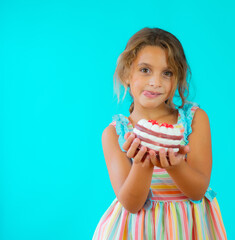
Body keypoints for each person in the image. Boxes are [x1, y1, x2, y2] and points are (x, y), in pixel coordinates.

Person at [92, 27, 227, 239]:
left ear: (177, 79)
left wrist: (174, 164)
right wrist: (142, 163)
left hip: (188, 227)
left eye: (167, 73)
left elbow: (198, 190)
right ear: (127, 74)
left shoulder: (194, 119)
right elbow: (131, 203)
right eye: (145, 70)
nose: (155, 82)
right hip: (137, 230)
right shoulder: (115, 134)